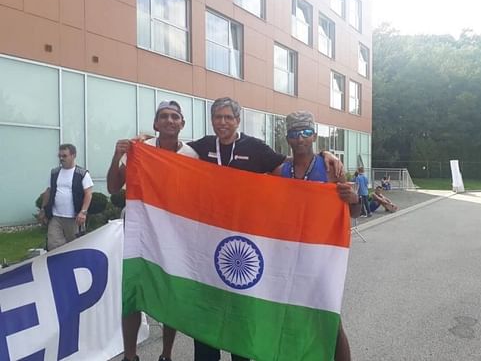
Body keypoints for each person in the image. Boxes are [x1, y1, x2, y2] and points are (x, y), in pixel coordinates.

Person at [188, 97, 347, 361]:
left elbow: (295, 163)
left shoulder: (258, 149)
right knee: (216, 308)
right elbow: (170, 153)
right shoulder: (202, 147)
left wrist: (324, 155)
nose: (223, 122)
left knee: (325, 314)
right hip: (214, 242)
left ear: (238, 120)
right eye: (218, 117)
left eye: (229, 117)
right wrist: (146, 142)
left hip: (288, 247)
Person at [107, 100, 198, 361]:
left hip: (174, 236)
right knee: (133, 292)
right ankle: (131, 356)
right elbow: (114, 187)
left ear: (183, 124)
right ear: (155, 124)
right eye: (164, 116)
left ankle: (166, 355)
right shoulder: (139, 150)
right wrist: (116, 155)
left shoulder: (192, 156)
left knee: (171, 293)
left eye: (175, 117)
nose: (170, 120)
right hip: (139, 233)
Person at [281, 111, 360, 361]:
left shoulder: (330, 168)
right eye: (295, 134)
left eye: (305, 132)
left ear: (314, 135)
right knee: (293, 318)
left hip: (322, 256)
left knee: (329, 320)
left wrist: (355, 199)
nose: (300, 138)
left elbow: (354, 211)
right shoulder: (281, 169)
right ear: (288, 139)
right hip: (290, 256)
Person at [38, 144, 93, 251]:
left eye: (64, 156)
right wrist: (43, 209)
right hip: (56, 217)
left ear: (73, 155)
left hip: (74, 218)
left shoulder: (82, 174)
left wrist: (83, 212)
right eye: (59, 156)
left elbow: (88, 194)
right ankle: (56, 266)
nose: (61, 158)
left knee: (75, 246)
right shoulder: (54, 173)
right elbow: (48, 192)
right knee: (53, 246)